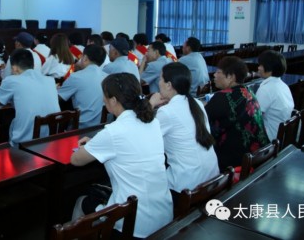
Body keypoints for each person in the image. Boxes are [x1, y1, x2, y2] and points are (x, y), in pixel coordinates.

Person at [70, 73, 173, 238]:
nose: (102, 99)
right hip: (163, 214)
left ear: (113, 100)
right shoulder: (153, 122)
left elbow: (76, 160)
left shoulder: (113, 131)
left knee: (80, 202)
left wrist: (95, 144)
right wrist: (97, 144)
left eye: (104, 95)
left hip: (133, 223)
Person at [149, 63, 219, 193]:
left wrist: (151, 103)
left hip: (188, 185)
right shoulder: (197, 103)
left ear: (169, 85)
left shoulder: (167, 112)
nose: (158, 83)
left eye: (160, 79)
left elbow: (144, 138)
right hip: (212, 176)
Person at [0, 48, 60, 146]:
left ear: (14, 68)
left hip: (24, 144)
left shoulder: (12, 81)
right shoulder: (50, 81)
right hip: (51, 141)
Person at [206, 56, 269, 170]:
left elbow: (203, 119)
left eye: (218, 72)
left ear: (230, 77)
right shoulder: (248, 92)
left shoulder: (221, 97)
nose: (214, 75)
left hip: (237, 162)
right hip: (258, 156)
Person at [58, 45, 107, 128]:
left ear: (85, 58)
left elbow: (58, 97)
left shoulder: (76, 77)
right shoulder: (107, 76)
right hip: (101, 127)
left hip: (81, 128)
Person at [255, 50, 295, 140]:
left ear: (269, 69)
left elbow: (255, 117)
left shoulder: (266, 89)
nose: (258, 68)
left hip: (270, 137)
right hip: (282, 134)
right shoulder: (283, 85)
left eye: (261, 65)